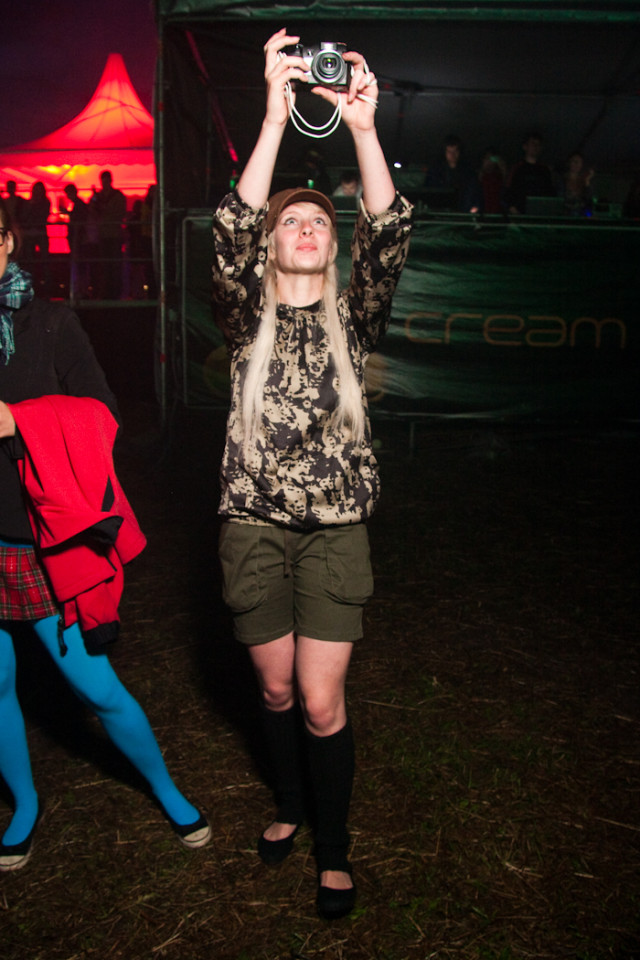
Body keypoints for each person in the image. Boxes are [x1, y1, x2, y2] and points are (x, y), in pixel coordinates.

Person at [211, 29, 413, 920]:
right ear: (273, 245)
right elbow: (229, 229)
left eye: (319, 223)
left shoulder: (353, 319)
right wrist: (271, 116)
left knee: (323, 703)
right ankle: (288, 802)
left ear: (332, 248)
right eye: (291, 220)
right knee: (275, 689)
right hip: (252, 528)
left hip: (335, 533)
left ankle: (333, 848)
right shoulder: (243, 317)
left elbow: (389, 235)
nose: (305, 227)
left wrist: (363, 130)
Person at [0, 198, 210, 872]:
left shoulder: (51, 322)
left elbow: (103, 411)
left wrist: (19, 422)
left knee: (94, 688)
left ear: (9, 241)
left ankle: (167, 789)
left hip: (37, 541)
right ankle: (24, 805)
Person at [90, 170, 127, 299]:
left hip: (114, 234)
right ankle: (107, 291)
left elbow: (120, 213)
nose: (104, 183)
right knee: (105, 265)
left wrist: (104, 211)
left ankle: (115, 291)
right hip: (103, 234)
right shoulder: (99, 196)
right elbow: (91, 208)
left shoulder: (117, 196)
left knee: (114, 264)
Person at [424, 134, 482, 212]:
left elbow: (474, 193)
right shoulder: (435, 172)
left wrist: (473, 208)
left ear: (460, 152)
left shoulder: (468, 173)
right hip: (440, 212)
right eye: (449, 151)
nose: (452, 155)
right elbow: (430, 192)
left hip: (463, 212)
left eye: (455, 151)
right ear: (444, 152)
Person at [506, 132, 555, 214]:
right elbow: (508, 190)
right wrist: (513, 209)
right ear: (525, 146)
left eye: (538, 145)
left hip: (540, 213)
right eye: (532, 144)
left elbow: (550, 192)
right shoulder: (517, 168)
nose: (535, 147)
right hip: (520, 213)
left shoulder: (545, 170)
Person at [60, 183, 90, 301]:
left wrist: (67, 213)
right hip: (77, 238)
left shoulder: (78, 204)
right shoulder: (78, 204)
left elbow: (78, 220)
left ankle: (81, 290)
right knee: (80, 264)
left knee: (79, 264)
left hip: (77, 238)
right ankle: (81, 289)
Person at [560, 151, 594, 216]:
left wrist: (587, 181)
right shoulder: (562, 180)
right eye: (574, 161)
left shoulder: (584, 181)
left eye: (578, 162)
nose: (576, 164)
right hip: (565, 214)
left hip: (581, 215)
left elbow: (588, 199)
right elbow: (559, 199)